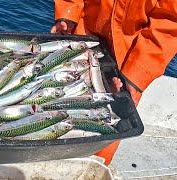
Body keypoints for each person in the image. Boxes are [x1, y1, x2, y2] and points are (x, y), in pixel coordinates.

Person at [51, 0, 177, 165]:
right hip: (83, 36)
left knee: (104, 133)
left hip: (129, 58)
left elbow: (169, 22)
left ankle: (89, 170)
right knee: (54, 113)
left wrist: (137, 74)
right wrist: (68, 14)